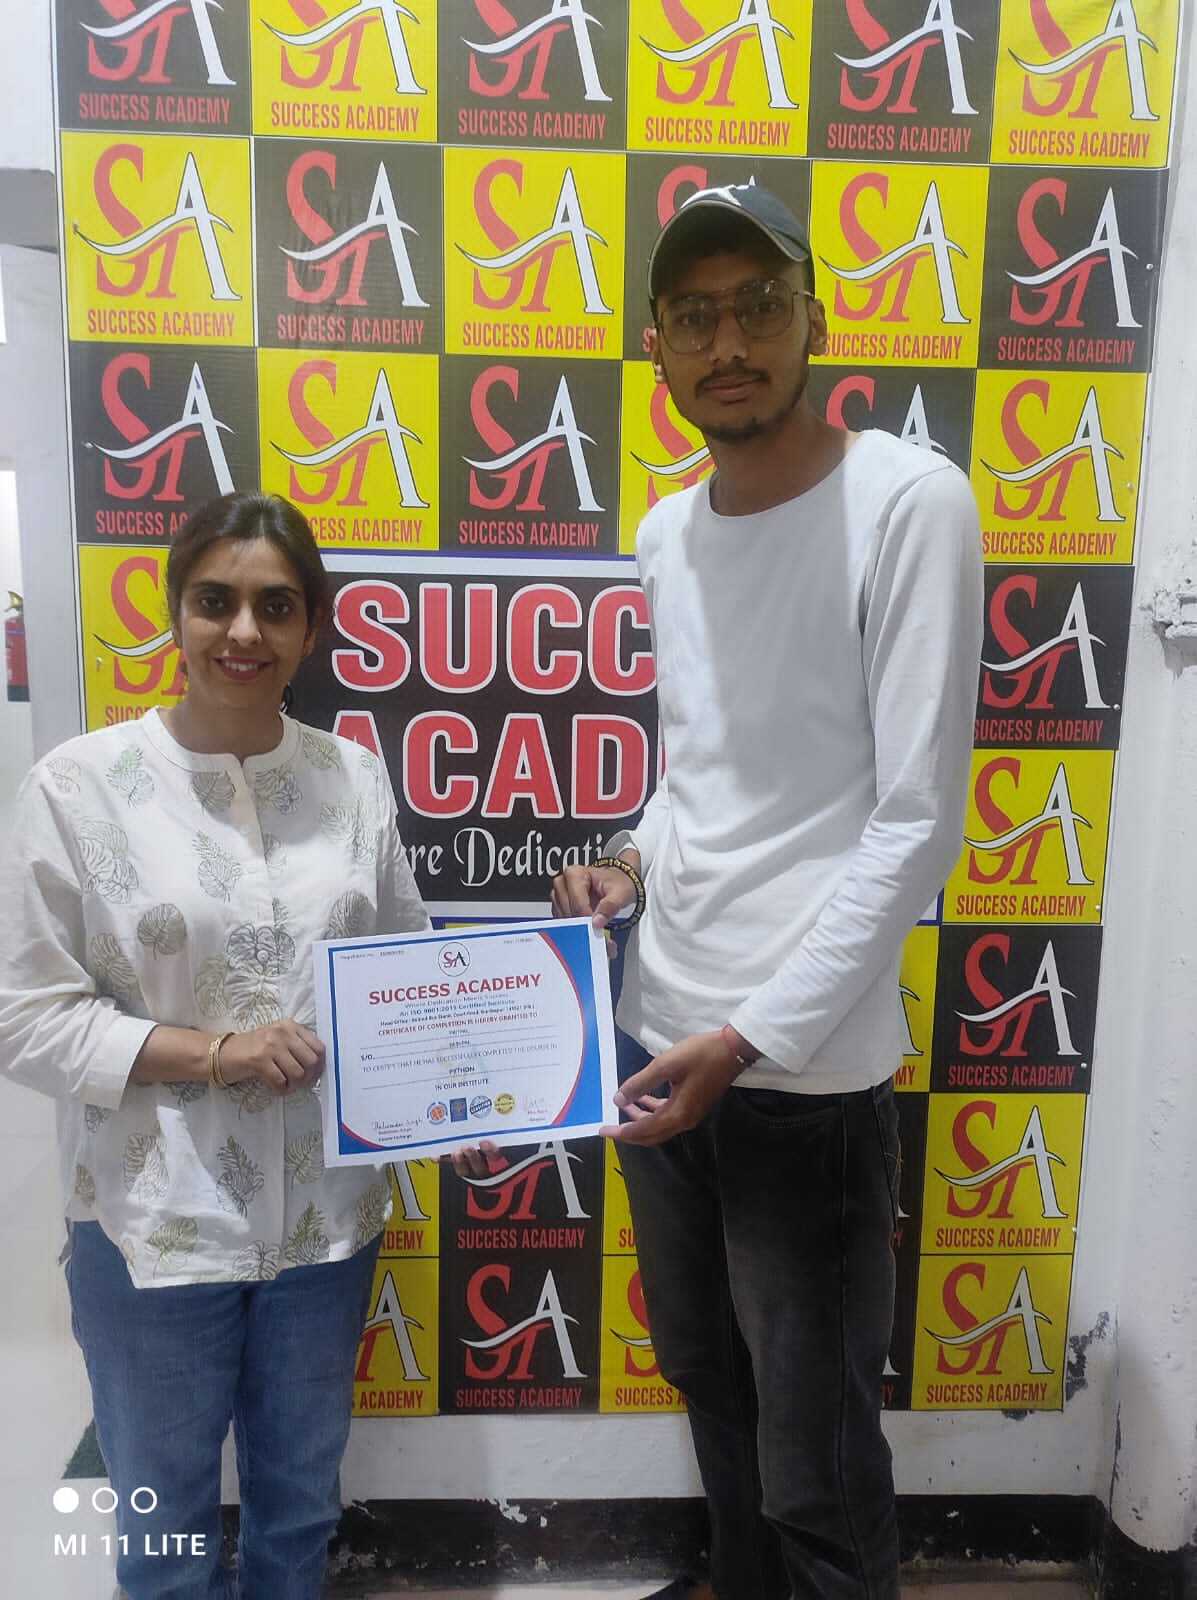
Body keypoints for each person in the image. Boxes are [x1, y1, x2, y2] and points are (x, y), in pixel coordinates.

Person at [552, 185, 984, 1600]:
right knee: (708, 1381)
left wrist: (743, 1041)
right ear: (657, 347)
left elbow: (916, 823)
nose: (727, 342)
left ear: (814, 318)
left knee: (816, 1454)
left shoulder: (908, 503)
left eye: (756, 306)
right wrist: (628, 861)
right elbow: (703, 774)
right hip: (656, 1030)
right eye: (694, 316)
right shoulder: (667, 532)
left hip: (799, 1068)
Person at [0, 492, 430, 1599]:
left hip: (326, 1221)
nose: (244, 631)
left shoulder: (352, 778)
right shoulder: (78, 787)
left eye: (276, 606)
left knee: (300, 1504)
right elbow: (24, 1017)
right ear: (174, 612)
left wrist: (459, 1094)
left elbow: (406, 975)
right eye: (216, 601)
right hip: (152, 1222)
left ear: (311, 628)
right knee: (164, 1526)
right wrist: (214, 1052)